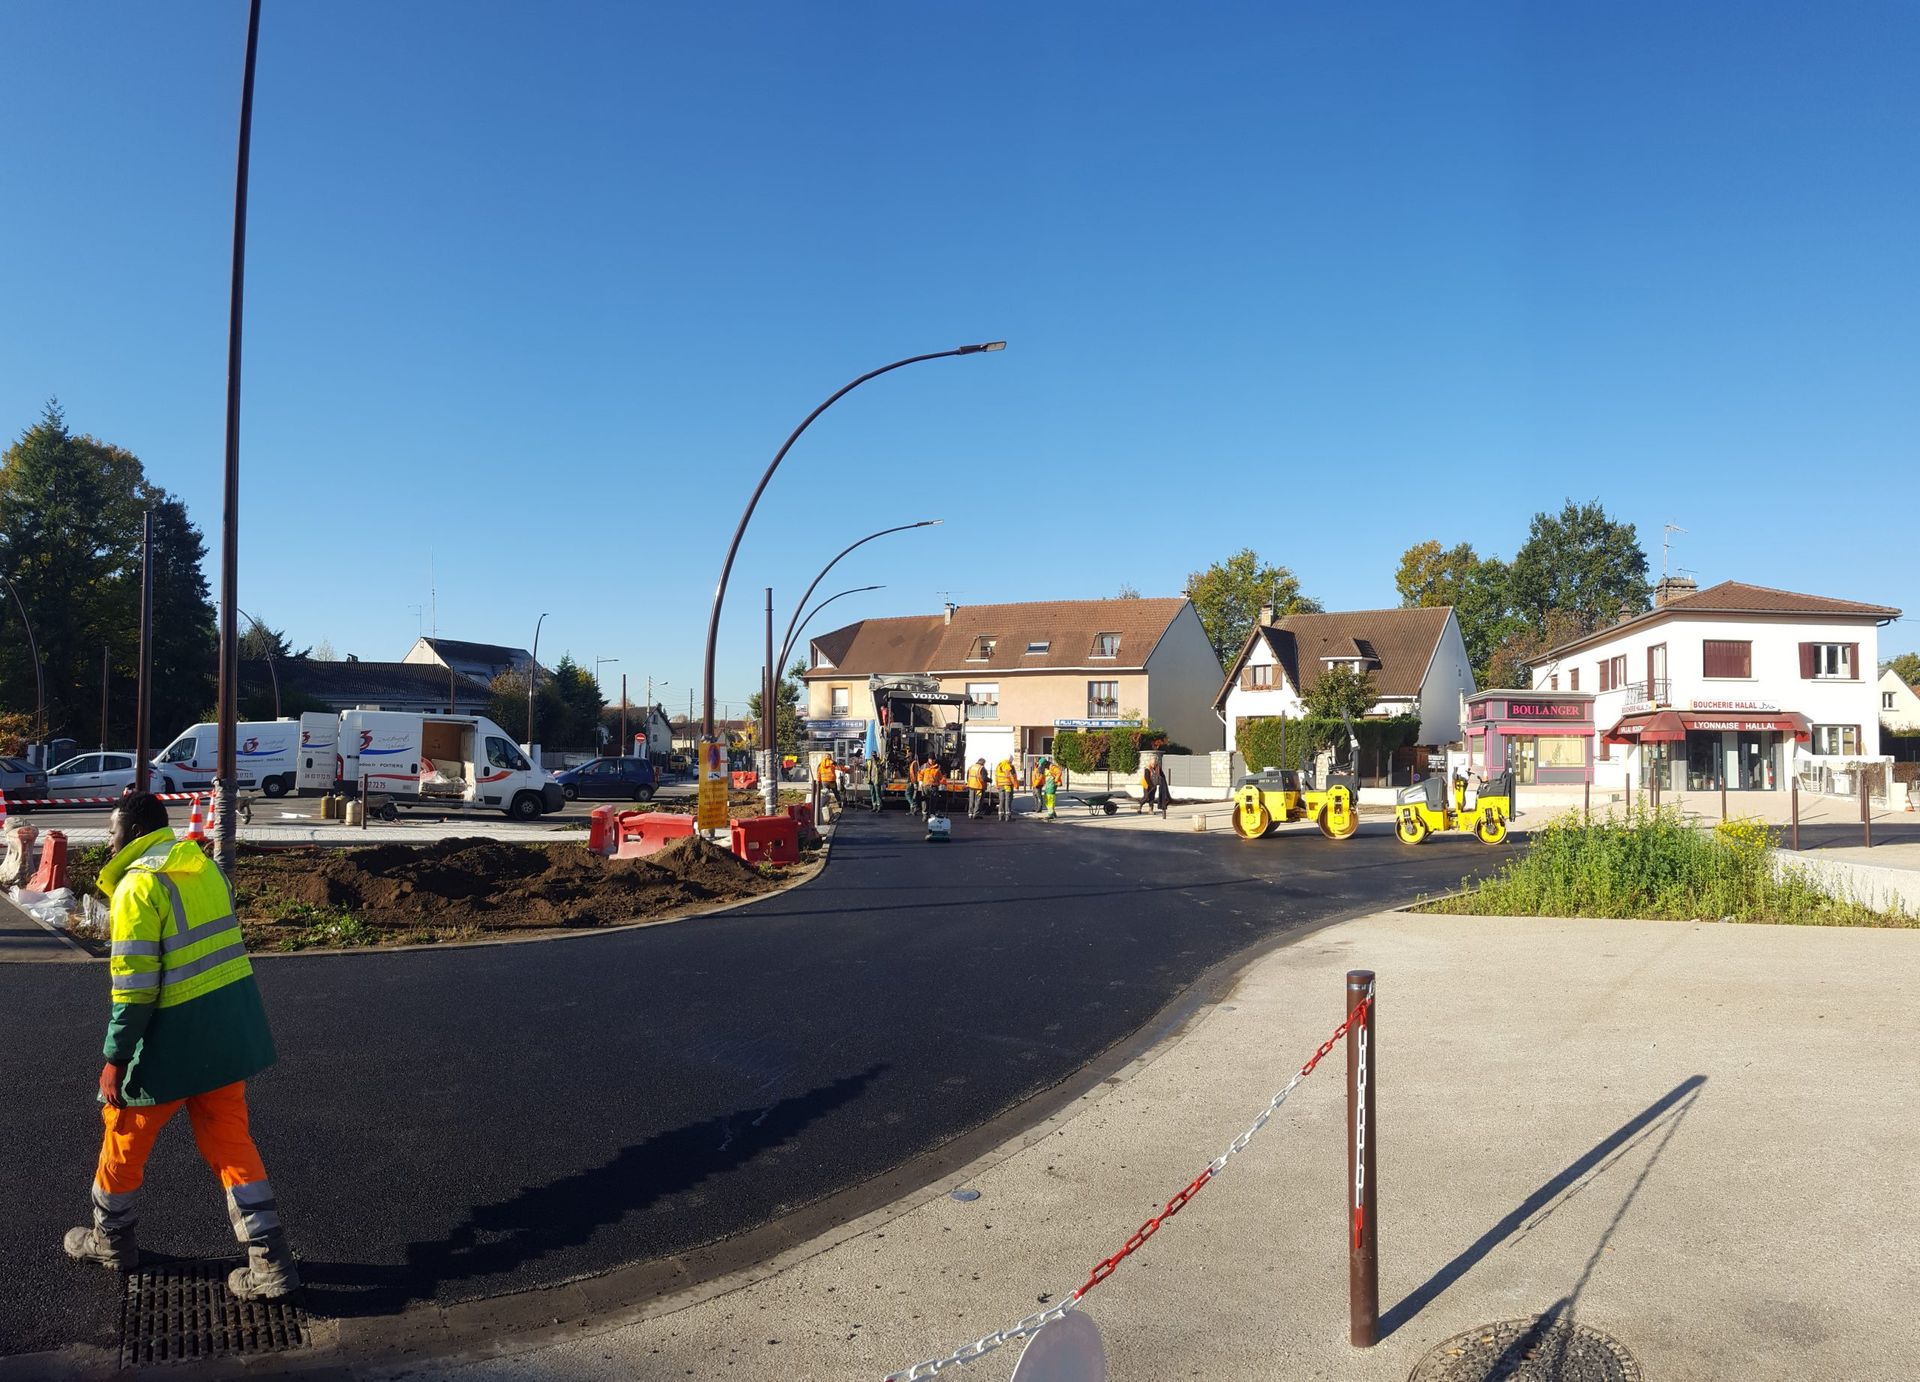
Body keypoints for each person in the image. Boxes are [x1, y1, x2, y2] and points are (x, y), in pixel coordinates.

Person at [64, 792, 295, 1300]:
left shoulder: (138, 886)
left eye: (111, 830)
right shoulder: (205, 870)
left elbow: (134, 987)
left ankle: (111, 1240)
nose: (108, 840)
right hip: (223, 1036)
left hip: (169, 1040)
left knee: (123, 1134)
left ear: (135, 831)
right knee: (231, 1142)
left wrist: (115, 1059)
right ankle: (270, 1262)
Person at [994, 754, 1019, 821]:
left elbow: (996, 776)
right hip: (1008, 785)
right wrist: (1016, 785)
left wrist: (997, 784)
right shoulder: (1009, 766)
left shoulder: (999, 765)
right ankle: (1008, 817)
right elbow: (1011, 776)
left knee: (1001, 800)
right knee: (1008, 800)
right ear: (1010, 760)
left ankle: (1000, 816)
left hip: (1000, 785)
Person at [1040, 757, 1061, 821]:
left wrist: (1055, 781)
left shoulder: (1052, 767)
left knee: (1050, 799)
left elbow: (1059, 772)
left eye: (1043, 766)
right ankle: (1053, 813)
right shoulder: (1046, 768)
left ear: (1045, 764)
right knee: (1046, 798)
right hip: (1048, 785)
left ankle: (1051, 814)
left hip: (1052, 785)